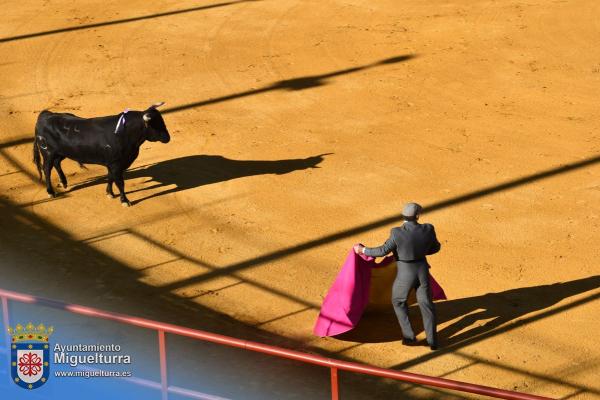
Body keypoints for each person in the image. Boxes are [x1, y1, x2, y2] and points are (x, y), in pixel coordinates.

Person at [354, 202, 441, 350]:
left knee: (398, 301)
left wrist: (363, 250)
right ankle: (433, 341)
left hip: (405, 273)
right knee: (426, 305)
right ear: (417, 216)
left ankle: (409, 336)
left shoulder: (397, 232)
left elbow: (382, 251)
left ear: (403, 216)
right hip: (422, 269)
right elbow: (435, 248)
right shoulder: (428, 229)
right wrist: (419, 251)